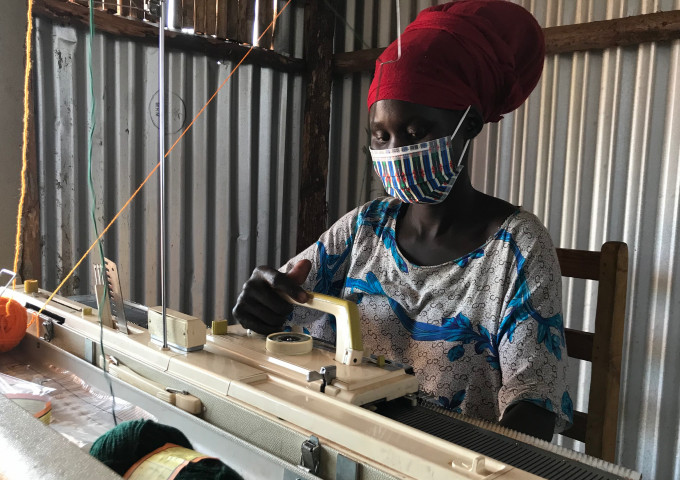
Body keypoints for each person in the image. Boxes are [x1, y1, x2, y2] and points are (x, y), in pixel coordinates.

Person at [233, 0, 571, 441]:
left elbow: (533, 408)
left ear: (469, 124)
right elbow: (286, 306)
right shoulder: (366, 228)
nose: (396, 151)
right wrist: (265, 303)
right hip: (349, 442)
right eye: (381, 136)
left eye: (415, 133)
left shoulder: (517, 249)